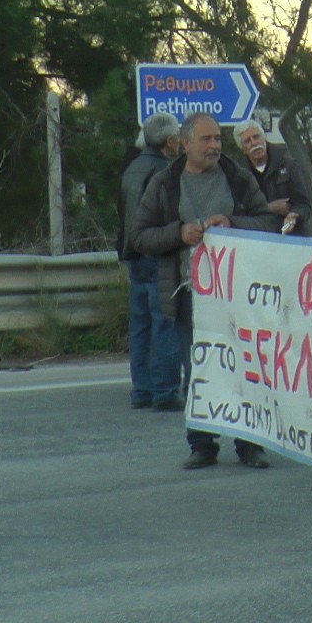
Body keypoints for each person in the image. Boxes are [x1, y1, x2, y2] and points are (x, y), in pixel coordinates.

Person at [133, 113, 280, 470]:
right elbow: (139, 236)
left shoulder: (237, 177)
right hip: (190, 295)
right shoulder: (165, 184)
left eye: (217, 138)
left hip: (239, 294)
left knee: (246, 368)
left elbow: (268, 222)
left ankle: (249, 444)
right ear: (185, 144)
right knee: (198, 368)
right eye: (206, 139)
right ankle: (202, 443)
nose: (215, 145)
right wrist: (178, 233)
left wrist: (232, 224)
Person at [120, 112, 184, 411]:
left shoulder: (132, 167)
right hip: (158, 253)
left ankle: (141, 389)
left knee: (141, 324)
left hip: (134, 253)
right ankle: (164, 390)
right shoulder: (166, 171)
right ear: (170, 141)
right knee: (165, 321)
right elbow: (171, 216)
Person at [233, 118, 309, 236]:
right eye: (247, 141)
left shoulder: (289, 164)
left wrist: (294, 215)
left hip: (290, 238)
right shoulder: (239, 175)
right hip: (257, 240)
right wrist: (268, 208)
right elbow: (238, 214)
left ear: (264, 138)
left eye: (256, 137)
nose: (254, 143)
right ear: (242, 149)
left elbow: (303, 204)